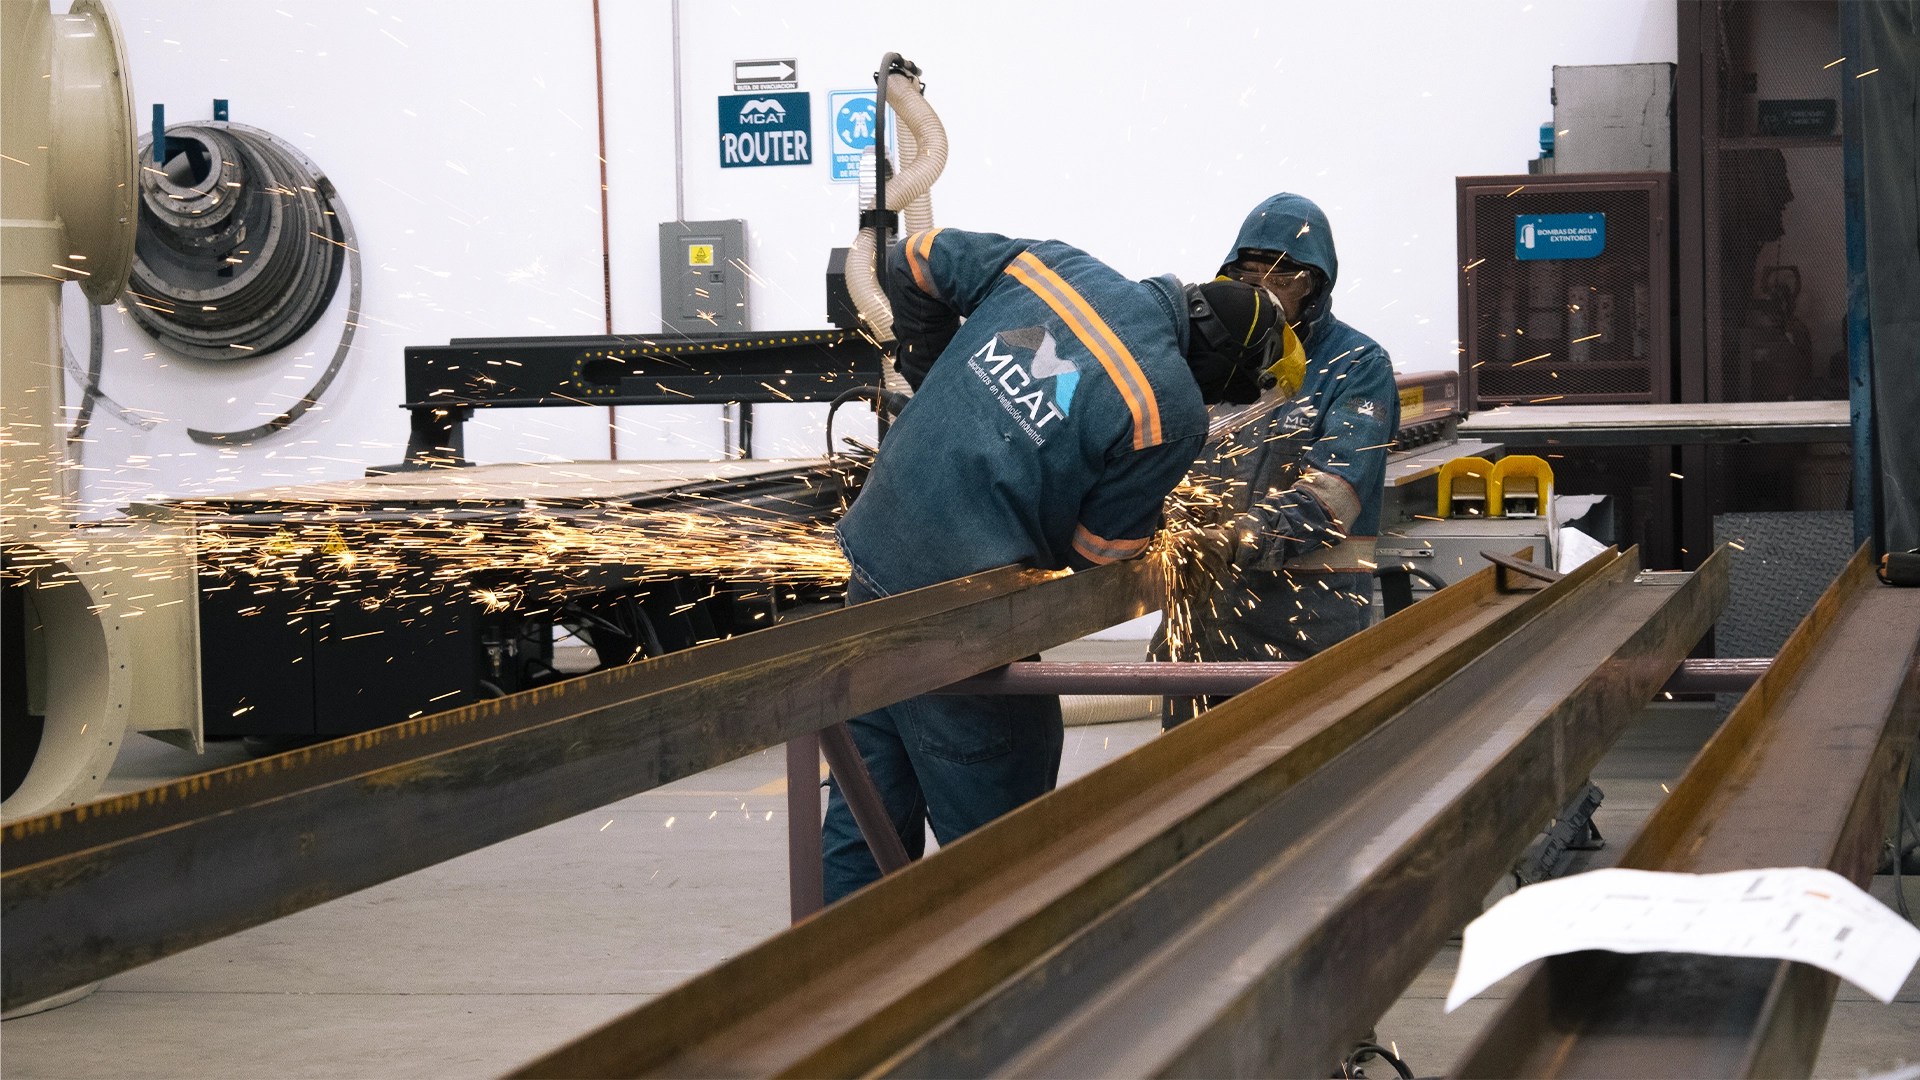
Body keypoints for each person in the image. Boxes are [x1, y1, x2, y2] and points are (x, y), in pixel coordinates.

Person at [823, 227, 1284, 902]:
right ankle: (991, 987)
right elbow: (1099, 557)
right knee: (1002, 841)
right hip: (962, 617)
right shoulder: (1169, 407)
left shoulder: (1055, 267)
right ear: (1218, 364)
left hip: (873, 558)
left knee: (866, 808)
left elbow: (910, 259)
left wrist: (935, 372)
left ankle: (836, 987)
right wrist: (1145, 519)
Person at [1159, 193, 1399, 727]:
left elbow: (1335, 494)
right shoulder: (1212, 360)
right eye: (1248, 277)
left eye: (1281, 277)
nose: (1262, 289)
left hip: (1303, 635)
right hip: (1201, 632)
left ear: (1314, 286)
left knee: (1299, 796)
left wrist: (1234, 539)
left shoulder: (1356, 365)